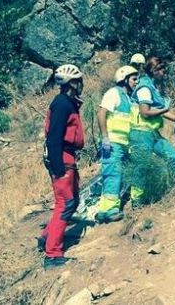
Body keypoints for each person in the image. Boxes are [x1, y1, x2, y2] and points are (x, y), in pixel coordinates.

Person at [40, 64, 85, 270]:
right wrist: (58, 168)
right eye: (78, 81)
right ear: (71, 83)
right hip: (62, 160)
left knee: (71, 202)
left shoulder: (67, 103)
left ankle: (47, 238)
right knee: (65, 203)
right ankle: (52, 254)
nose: (81, 85)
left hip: (67, 158)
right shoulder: (61, 104)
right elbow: (53, 138)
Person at [129, 57, 175, 205]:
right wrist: (165, 108)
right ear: (154, 71)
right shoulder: (145, 88)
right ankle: (137, 201)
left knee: (172, 156)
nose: (164, 72)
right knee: (140, 166)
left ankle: (166, 186)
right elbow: (145, 112)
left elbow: (160, 110)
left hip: (152, 133)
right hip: (140, 133)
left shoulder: (152, 87)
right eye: (162, 69)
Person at [95, 65, 139, 223]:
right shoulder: (113, 93)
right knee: (113, 174)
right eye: (134, 79)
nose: (136, 82)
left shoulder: (129, 98)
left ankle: (106, 209)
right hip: (113, 143)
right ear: (125, 79)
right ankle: (109, 210)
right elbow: (101, 112)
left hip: (125, 144)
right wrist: (105, 137)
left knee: (125, 173)